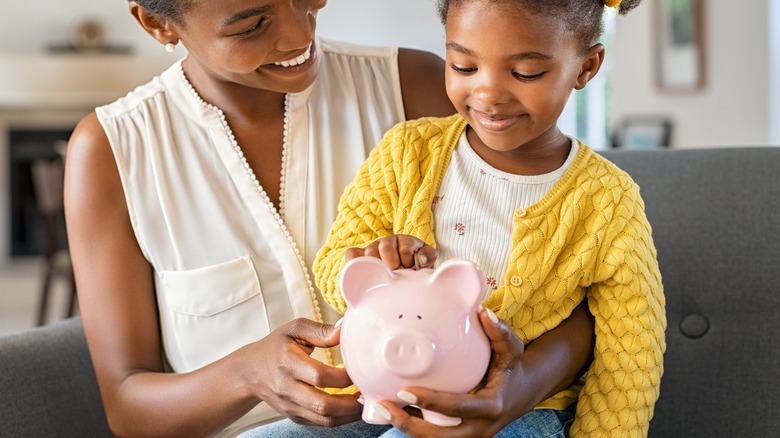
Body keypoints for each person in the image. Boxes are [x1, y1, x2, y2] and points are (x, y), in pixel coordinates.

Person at [64, 0, 597, 437]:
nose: (300, 33)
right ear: (157, 23)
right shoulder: (112, 153)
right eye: (252, 23)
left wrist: (519, 387)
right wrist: (245, 374)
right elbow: (128, 409)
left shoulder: (415, 88)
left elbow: (579, 278)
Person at [310, 0, 666, 437]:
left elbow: (631, 351)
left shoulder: (608, 200)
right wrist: (373, 262)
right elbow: (332, 267)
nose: (488, 93)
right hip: (385, 391)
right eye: (463, 66)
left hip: (524, 411)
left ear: (586, 66)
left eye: (525, 73)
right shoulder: (407, 152)